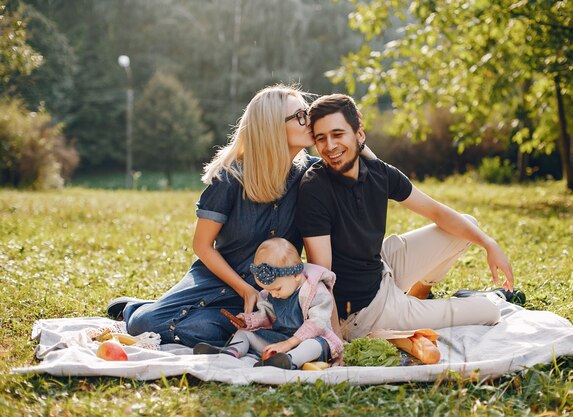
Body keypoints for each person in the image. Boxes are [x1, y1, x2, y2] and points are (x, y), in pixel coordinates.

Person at [106, 84, 319, 347]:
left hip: (274, 292)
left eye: (307, 112)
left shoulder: (312, 175)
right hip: (216, 277)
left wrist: (360, 140)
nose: (309, 120)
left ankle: (197, 322)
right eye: (299, 115)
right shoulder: (230, 178)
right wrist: (244, 289)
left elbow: (362, 165)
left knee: (237, 331)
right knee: (143, 325)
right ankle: (138, 310)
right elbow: (202, 245)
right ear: (272, 126)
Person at [295, 94, 517, 341]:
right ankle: (418, 307)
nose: (329, 146)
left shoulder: (378, 172)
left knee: (467, 225)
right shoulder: (315, 188)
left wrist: (489, 244)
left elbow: (436, 212)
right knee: (489, 310)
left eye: (338, 134)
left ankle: (418, 295)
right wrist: (335, 339)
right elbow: (323, 273)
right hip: (365, 311)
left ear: (359, 134)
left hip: (381, 265)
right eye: (321, 138)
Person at [193, 238, 342, 370]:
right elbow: (268, 316)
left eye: (277, 289)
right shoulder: (271, 293)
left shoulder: (315, 291)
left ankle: (290, 361)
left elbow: (317, 323)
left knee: (312, 345)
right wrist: (249, 321)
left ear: (296, 275)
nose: (273, 294)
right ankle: (230, 353)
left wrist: (289, 344)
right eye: (269, 290)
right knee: (244, 334)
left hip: (310, 342)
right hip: (281, 341)